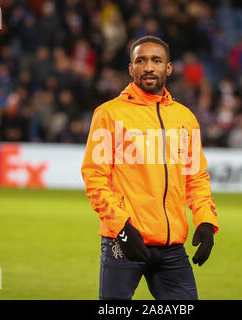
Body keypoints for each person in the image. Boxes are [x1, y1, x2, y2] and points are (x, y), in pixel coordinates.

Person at [81, 35, 219, 300]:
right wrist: (121, 228)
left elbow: (196, 177)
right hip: (124, 242)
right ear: (130, 68)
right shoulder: (109, 114)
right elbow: (95, 178)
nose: (148, 67)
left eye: (156, 60)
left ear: (168, 68)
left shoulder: (185, 118)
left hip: (172, 247)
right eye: (141, 61)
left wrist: (205, 221)